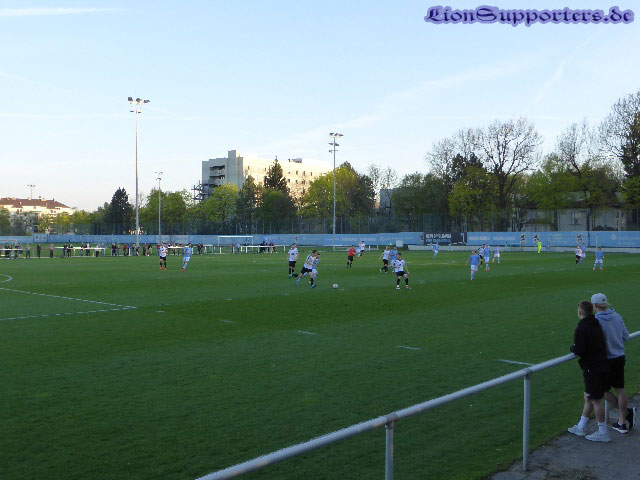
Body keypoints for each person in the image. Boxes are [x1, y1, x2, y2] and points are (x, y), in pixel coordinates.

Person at [592, 293, 636, 434]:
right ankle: (622, 421)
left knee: (602, 390)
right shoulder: (617, 316)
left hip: (605, 361)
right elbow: (626, 337)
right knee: (620, 389)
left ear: (595, 305)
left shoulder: (595, 321)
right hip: (619, 357)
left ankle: (626, 414)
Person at [567, 300, 611, 442]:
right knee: (588, 396)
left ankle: (603, 432)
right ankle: (580, 426)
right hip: (601, 364)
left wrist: (572, 348)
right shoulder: (596, 323)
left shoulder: (581, 328)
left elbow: (578, 350)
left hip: (593, 368)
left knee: (596, 400)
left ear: (580, 312)